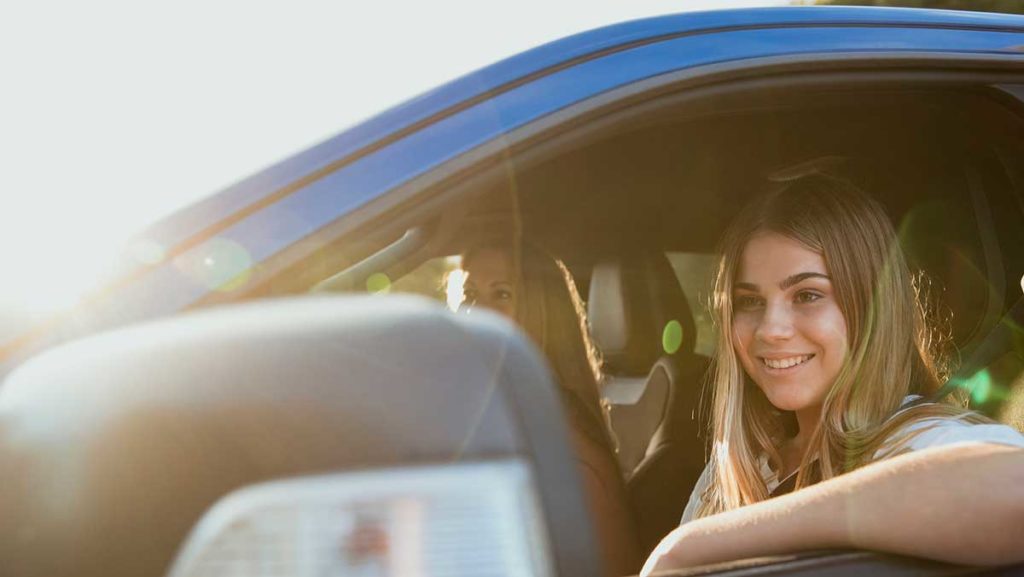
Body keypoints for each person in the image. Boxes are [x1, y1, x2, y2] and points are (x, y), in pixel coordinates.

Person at [642, 174, 1024, 575]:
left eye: (807, 295)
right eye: (750, 301)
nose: (771, 328)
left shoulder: (920, 441)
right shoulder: (736, 470)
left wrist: (695, 544)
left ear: (872, 309)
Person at [459, 242, 642, 577]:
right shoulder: (497, 411)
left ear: (541, 313)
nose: (475, 311)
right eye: (469, 293)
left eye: (501, 294)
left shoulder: (566, 443)